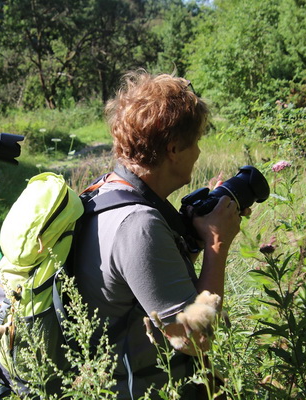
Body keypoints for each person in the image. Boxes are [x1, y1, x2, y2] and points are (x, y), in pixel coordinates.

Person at [74, 70, 248, 399]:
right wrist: (216, 244)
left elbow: (143, 291)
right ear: (173, 149)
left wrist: (190, 242)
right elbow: (192, 340)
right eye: (195, 142)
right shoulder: (139, 224)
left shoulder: (106, 191)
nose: (198, 153)